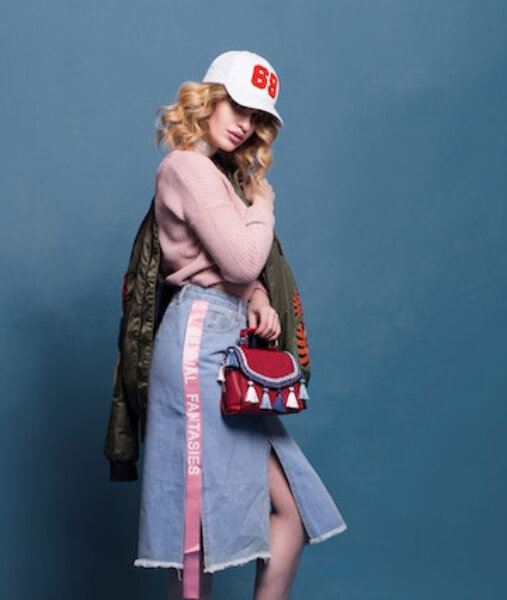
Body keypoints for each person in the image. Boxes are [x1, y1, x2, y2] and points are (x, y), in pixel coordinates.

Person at [114, 50, 346, 600]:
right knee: (194, 527)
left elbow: (226, 267)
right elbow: (238, 259)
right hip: (198, 344)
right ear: (209, 97)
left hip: (227, 336)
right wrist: (264, 207)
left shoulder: (216, 174)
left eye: (257, 116)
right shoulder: (186, 166)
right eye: (237, 106)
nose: (244, 123)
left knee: (291, 506)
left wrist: (259, 296)